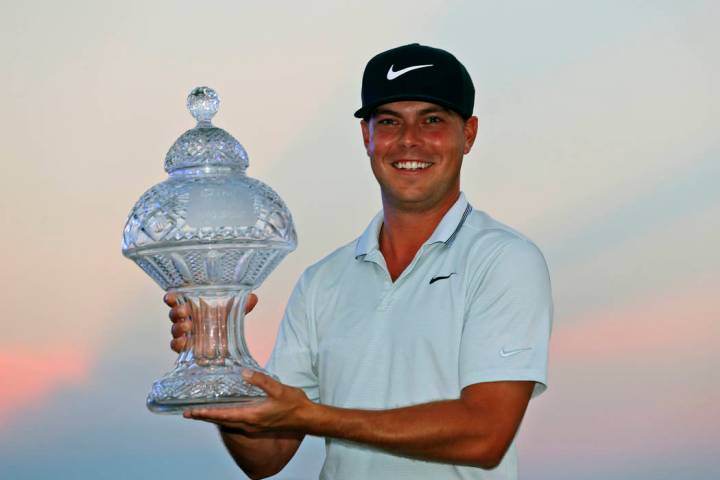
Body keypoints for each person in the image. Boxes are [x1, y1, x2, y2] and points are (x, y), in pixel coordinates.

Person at [165, 43, 553, 479]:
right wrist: (219, 362)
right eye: (389, 121)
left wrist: (313, 417)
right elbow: (266, 456)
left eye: (432, 120)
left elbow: (485, 435)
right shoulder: (322, 282)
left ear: (469, 134)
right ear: (366, 136)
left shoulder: (503, 260)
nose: (410, 140)